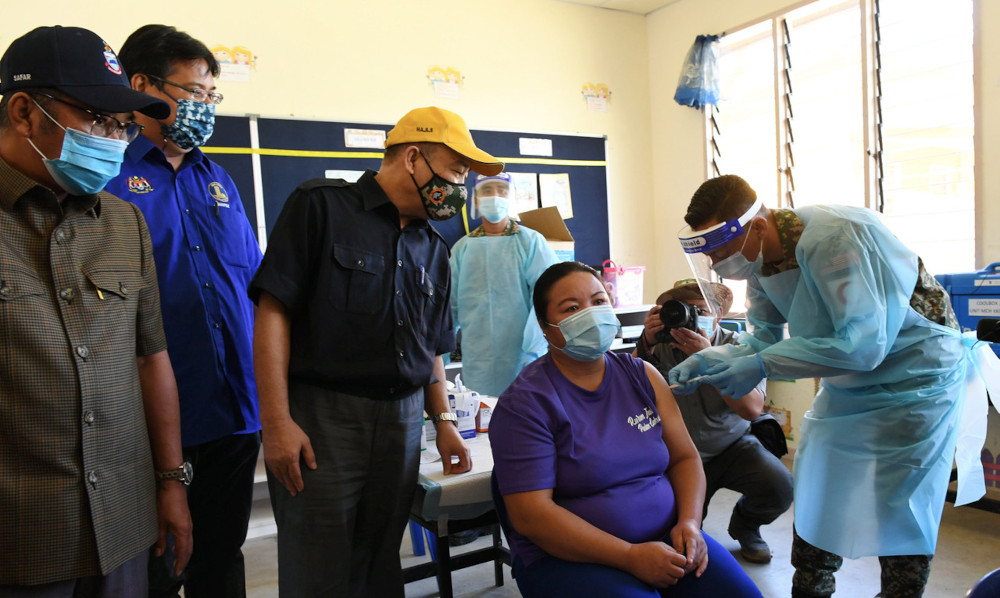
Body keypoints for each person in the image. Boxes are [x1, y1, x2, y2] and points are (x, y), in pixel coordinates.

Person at [668, 174, 989, 598]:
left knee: (904, 506)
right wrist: (718, 356)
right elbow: (763, 334)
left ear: (758, 228)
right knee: (819, 485)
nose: (719, 264)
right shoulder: (761, 262)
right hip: (851, 384)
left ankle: (901, 593)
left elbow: (862, 346)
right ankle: (811, 589)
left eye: (722, 251)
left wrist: (760, 364)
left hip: (918, 380)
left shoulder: (838, 236)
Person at [249, 106, 498, 597]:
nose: (461, 188)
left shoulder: (435, 248)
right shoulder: (320, 207)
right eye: (456, 171)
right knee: (317, 564)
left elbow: (432, 348)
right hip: (324, 419)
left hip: (403, 423)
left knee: (381, 561)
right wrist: (276, 422)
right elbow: (272, 314)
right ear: (412, 159)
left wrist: (443, 421)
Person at [0, 26, 192, 595]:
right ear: (24, 112)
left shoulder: (123, 222)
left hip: (124, 523)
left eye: (123, 125)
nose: (115, 139)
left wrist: (171, 483)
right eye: (97, 119)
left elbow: (150, 359)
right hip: (22, 537)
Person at [490, 261, 763, 598]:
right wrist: (630, 556)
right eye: (572, 308)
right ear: (546, 329)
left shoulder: (643, 375)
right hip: (569, 559)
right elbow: (532, 516)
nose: (589, 314)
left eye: (598, 301)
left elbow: (685, 458)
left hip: (669, 538)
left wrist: (690, 523)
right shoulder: (526, 403)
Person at [103, 25, 263, 598]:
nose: (203, 108)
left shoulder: (218, 181)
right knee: (155, 572)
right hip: (146, 424)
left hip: (233, 413)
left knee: (222, 564)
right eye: (193, 92)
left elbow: (252, 285)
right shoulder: (106, 176)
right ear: (142, 85)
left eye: (210, 97)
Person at [634, 279, 793, 564]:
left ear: (718, 314)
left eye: (697, 310)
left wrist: (707, 357)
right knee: (680, 538)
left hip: (732, 446)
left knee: (779, 487)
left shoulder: (740, 346)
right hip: (677, 453)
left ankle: (745, 526)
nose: (686, 318)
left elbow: (751, 409)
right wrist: (645, 343)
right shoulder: (658, 346)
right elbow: (626, 392)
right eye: (677, 309)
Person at [450, 172, 558, 397]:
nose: (494, 196)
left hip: (523, 355)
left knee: (527, 417)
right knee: (482, 421)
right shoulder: (462, 250)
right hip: (477, 359)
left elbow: (548, 297)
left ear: (512, 198)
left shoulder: (531, 242)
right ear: (476, 200)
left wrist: (533, 346)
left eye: (502, 191)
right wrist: (439, 352)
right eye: (487, 191)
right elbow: (449, 307)